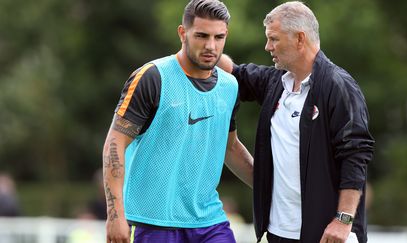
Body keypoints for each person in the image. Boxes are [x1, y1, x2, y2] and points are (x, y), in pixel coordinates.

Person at [218, 2, 374, 243]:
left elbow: (356, 156)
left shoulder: (338, 85)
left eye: (274, 39)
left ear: (300, 39)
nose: (267, 46)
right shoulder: (275, 82)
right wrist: (202, 47)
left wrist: (343, 221)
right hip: (279, 232)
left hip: (328, 234)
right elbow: (234, 72)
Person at [102, 0, 253, 242]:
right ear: (183, 33)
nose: (211, 46)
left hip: (209, 221)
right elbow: (115, 143)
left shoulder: (230, 86)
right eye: (202, 36)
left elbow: (230, 146)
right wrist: (115, 214)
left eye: (218, 37)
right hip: (152, 222)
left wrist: (272, 187)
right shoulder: (152, 78)